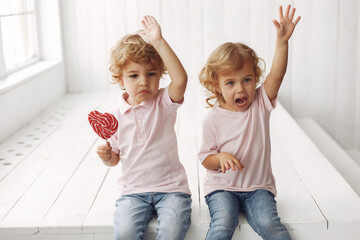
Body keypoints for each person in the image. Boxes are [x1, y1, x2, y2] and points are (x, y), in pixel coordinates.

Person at [198, 5, 300, 240]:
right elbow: (206, 160)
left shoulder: (260, 103)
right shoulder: (212, 118)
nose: (241, 88)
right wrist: (220, 158)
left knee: (270, 224)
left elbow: (277, 75)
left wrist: (282, 43)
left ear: (255, 78)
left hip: (258, 187)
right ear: (217, 86)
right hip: (222, 188)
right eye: (230, 83)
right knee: (223, 223)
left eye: (247, 80)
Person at [97, 15, 191, 240]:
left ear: (160, 74)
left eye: (151, 74)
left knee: (172, 231)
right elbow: (115, 159)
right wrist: (107, 156)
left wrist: (159, 42)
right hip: (132, 192)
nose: (143, 81)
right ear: (120, 79)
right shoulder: (114, 117)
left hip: (172, 190)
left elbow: (180, 80)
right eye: (134, 75)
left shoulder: (163, 103)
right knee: (126, 233)